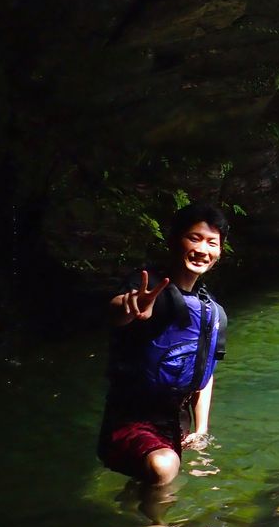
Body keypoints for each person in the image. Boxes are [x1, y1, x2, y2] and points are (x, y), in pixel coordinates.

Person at [97, 202, 230, 487]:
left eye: (212, 243)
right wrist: (130, 307)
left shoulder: (210, 309)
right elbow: (117, 310)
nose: (203, 250)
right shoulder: (148, 286)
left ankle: (139, 522)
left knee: (151, 479)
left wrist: (202, 429)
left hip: (175, 424)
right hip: (132, 417)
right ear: (174, 240)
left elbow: (204, 372)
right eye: (194, 238)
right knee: (163, 465)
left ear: (219, 253)